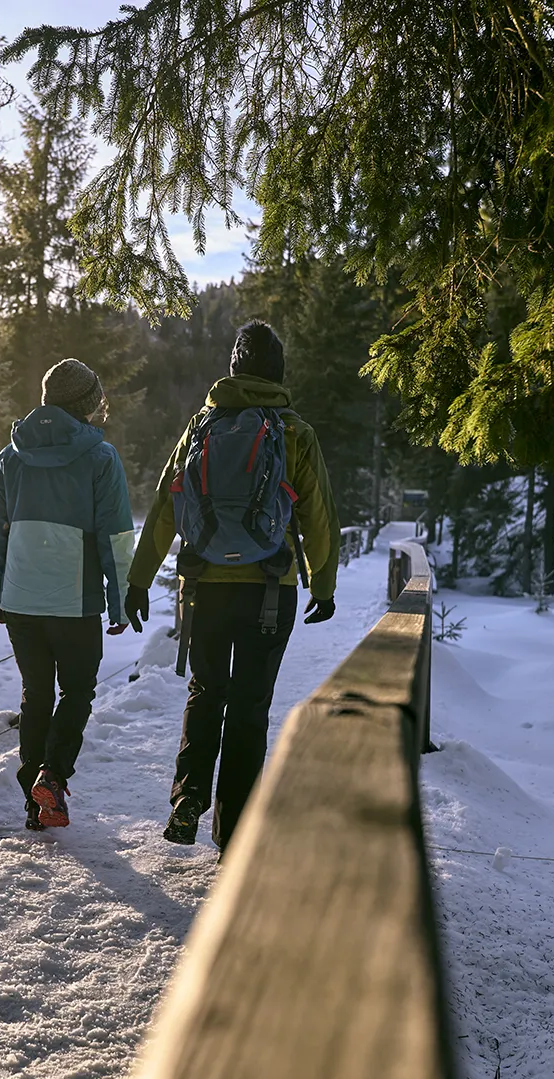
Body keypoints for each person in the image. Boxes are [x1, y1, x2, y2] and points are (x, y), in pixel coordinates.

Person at [123, 321, 339, 848]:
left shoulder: (202, 425)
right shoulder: (294, 432)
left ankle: (188, 796)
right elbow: (319, 517)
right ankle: (235, 831)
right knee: (249, 707)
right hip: (271, 589)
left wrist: (138, 581)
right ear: (279, 373)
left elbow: (164, 508)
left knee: (205, 692)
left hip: (204, 590)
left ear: (234, 369)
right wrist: (323, 586)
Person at [0, 358, 137, 830]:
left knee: (36, 696)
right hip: (74, 602)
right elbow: (115, 536)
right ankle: (51, 776)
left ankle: (35, 803)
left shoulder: (13, 455)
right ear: (87, 404)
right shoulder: (100, 457)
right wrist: (120, 598)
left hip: (20, 601)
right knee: (76, 692)